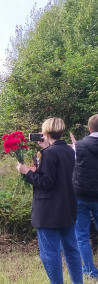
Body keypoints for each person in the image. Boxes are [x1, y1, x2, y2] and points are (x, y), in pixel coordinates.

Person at [16, 117, 83, 284]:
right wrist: (38, 169)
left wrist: (27, 172)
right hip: (67, 207)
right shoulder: (69, 151)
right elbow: (59, 177)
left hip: (48, 211)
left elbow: (46, 182)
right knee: (71, 250)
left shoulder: (49, 153)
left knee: (50, 253)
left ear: (45, 134)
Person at [72, 114, 98, 278]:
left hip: (80, 195)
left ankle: (89, 270)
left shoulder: (79, 146)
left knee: (81, 235)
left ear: (89, 129)